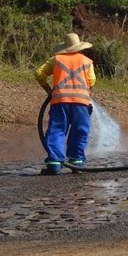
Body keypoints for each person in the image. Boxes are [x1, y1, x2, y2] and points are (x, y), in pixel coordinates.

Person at [34, 32, 96, 175]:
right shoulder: (87, 61)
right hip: (81, 103)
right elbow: (92, 81)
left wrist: (49, 91)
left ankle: (55, 164)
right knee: (80, 131)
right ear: (79, 47)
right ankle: (77, 162)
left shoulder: (56, 59)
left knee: (57, 131)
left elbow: (39, 73)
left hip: (59, 102)